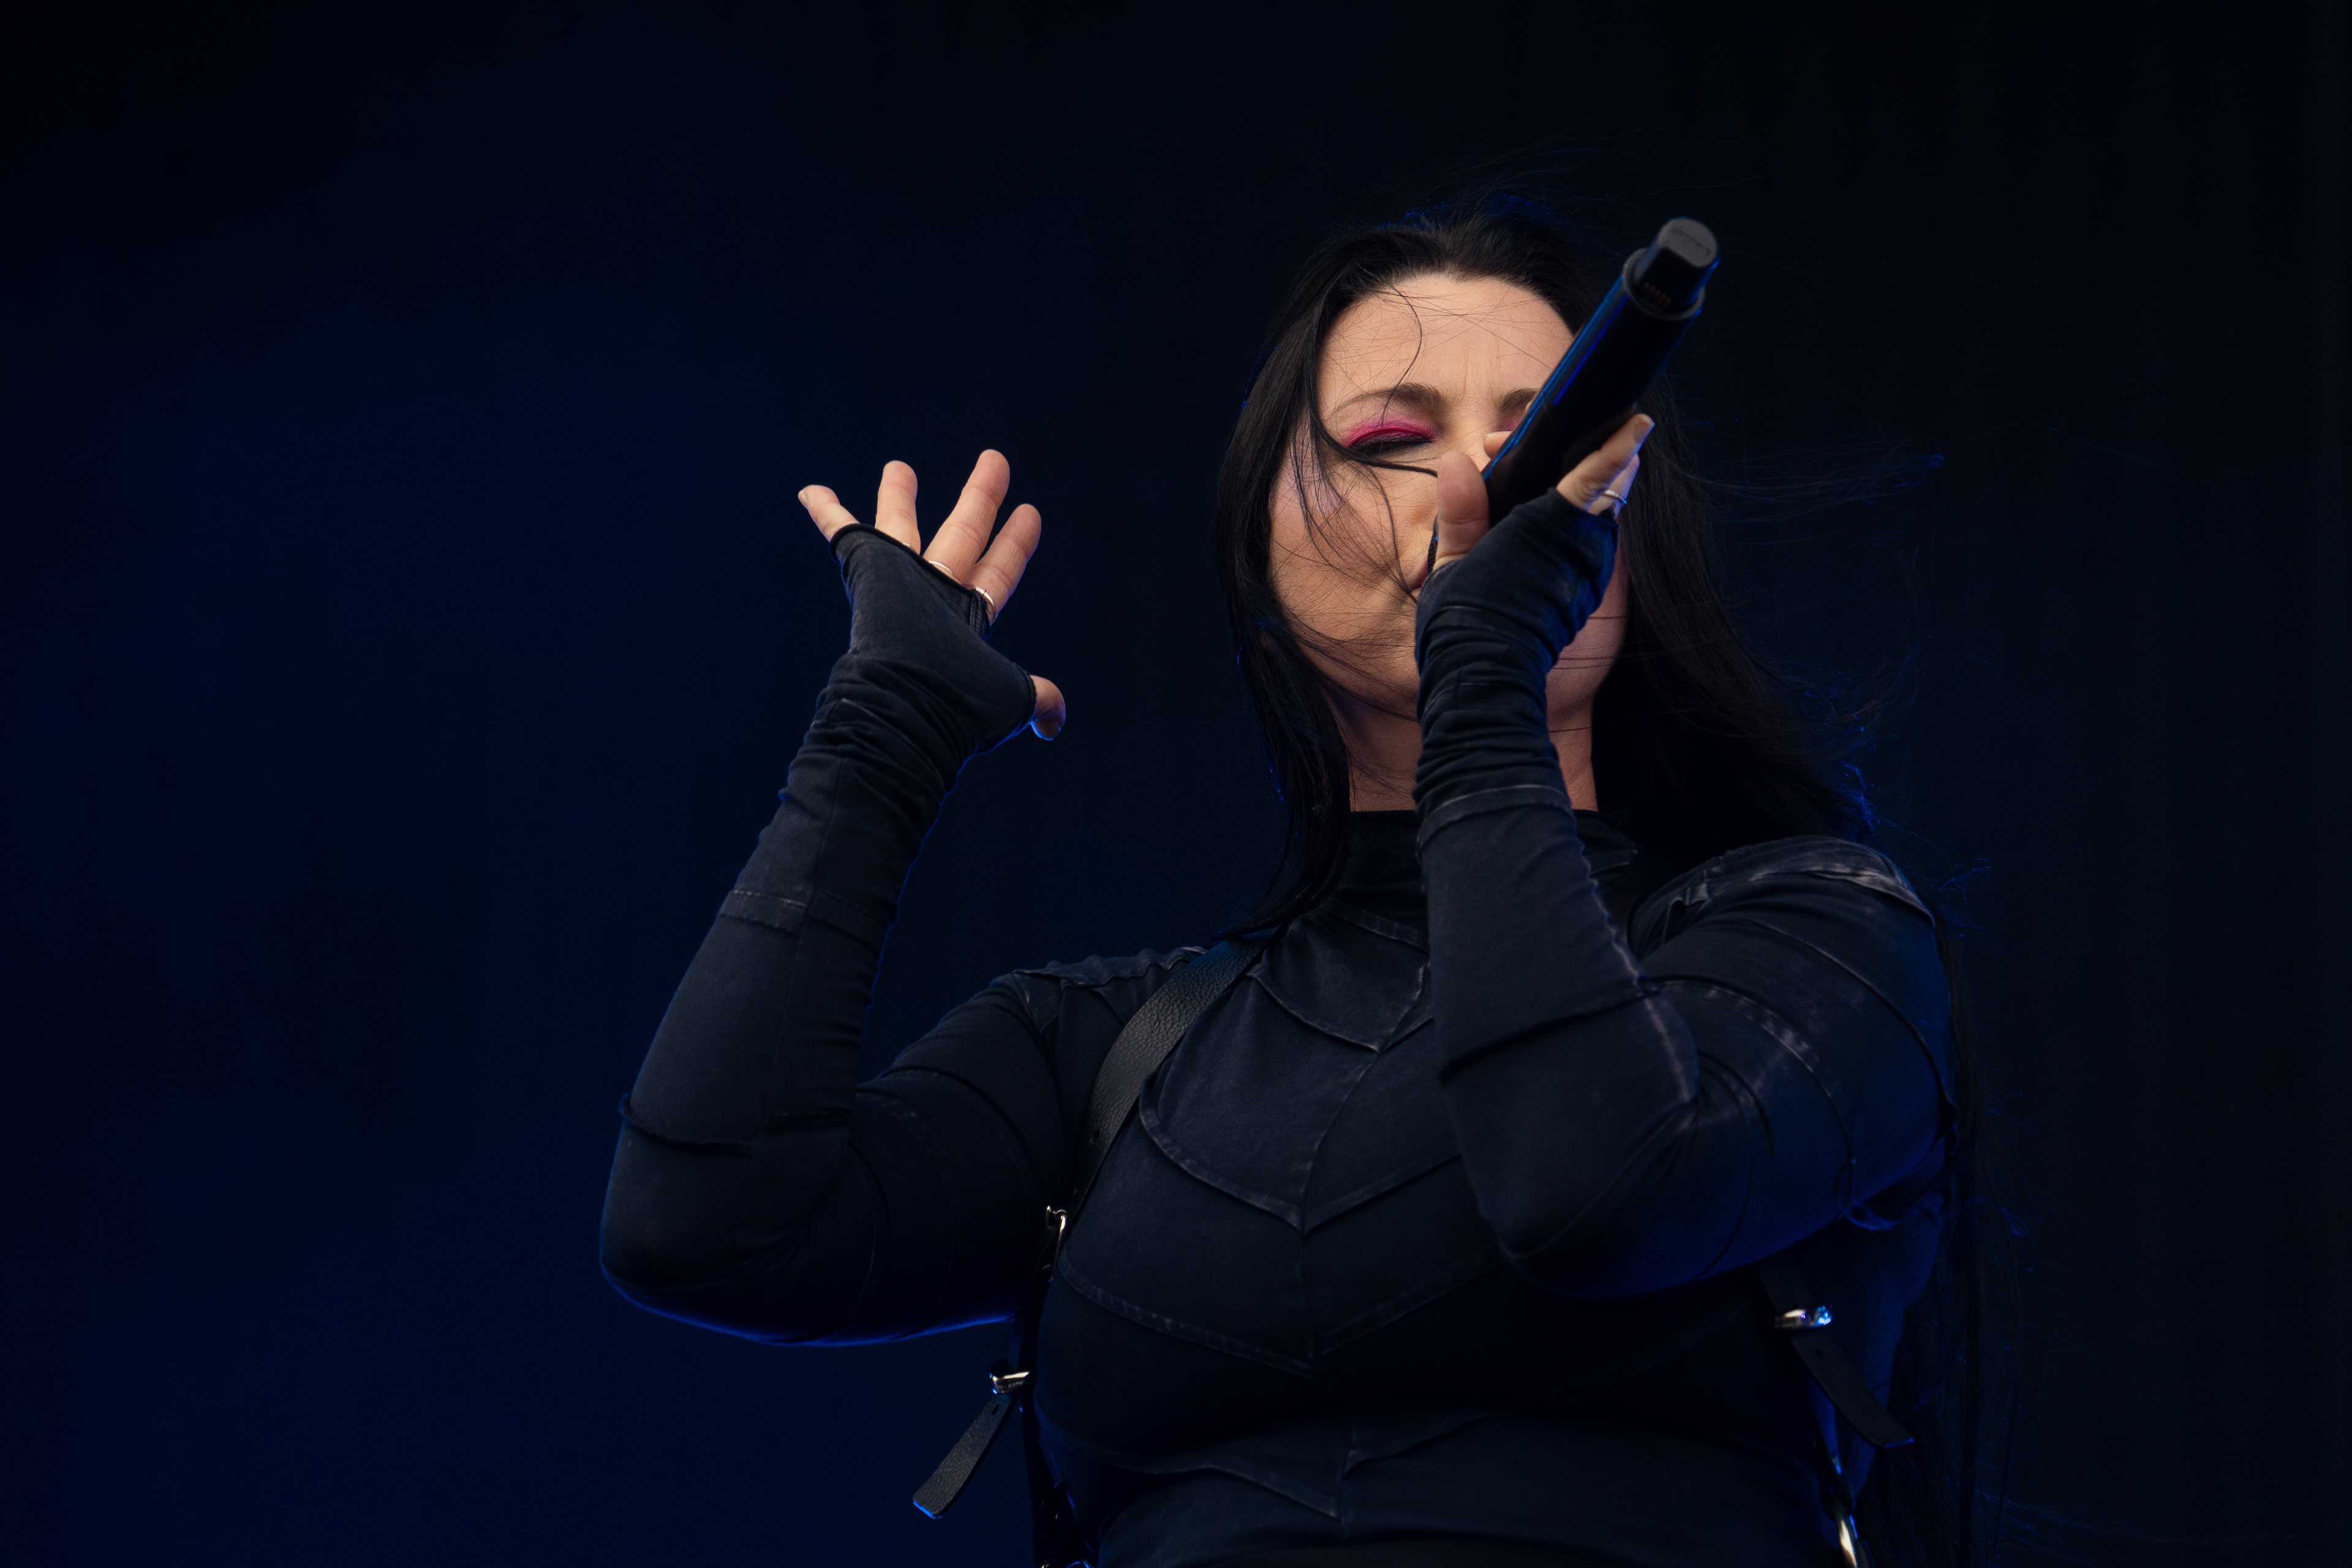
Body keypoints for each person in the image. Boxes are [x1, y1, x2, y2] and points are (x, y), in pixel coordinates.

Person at [599, 197, 1969, 1568]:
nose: (1475, 483)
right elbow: (705, 1230)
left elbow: (1590, 1188)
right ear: (1263, 550)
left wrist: (1481, 667)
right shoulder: (1105, 1053)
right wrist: (880, 733)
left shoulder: (1817, 939)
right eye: (1391, 441)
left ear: (1627, 548)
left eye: (1541, 440)